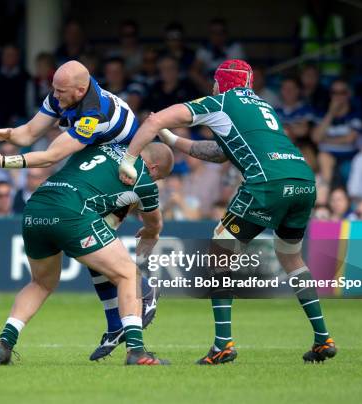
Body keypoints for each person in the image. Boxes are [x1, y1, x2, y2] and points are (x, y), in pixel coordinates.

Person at [119, 59, 337, 364]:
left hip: (267, 183)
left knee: (218, 252)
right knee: (291, 256)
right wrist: (171, 139)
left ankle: (223, 344)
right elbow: (220, 153)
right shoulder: (262, 106)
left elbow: (154, 122)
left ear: (221, 83)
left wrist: (129, 158)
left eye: (215, 82)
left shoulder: (219, 101)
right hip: (302, 181)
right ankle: (323, 338)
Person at [0, 60, 161, 360]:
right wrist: (4, 134)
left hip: (117, 177)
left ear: (80, 89)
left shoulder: (95, 113)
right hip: (85, 188)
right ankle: (133, 335)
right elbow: (29, 133)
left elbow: (50, 156)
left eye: (61, 92)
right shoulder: (63, 93)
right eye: (54, 89)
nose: (55, 97)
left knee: (55, 276)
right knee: (121, 269)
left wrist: (4, 163)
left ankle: (6, 342)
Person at [0, 143, 173, 366]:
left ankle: (4, 344)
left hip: (36, 207)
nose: (156, 182)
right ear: (153, 168)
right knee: (128, 275)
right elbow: (154, 222)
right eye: (158, 177)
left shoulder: (102, 146)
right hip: (72, 212)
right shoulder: (143, 176)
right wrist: (151, 232)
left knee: (41, 283)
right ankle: (136, 351)